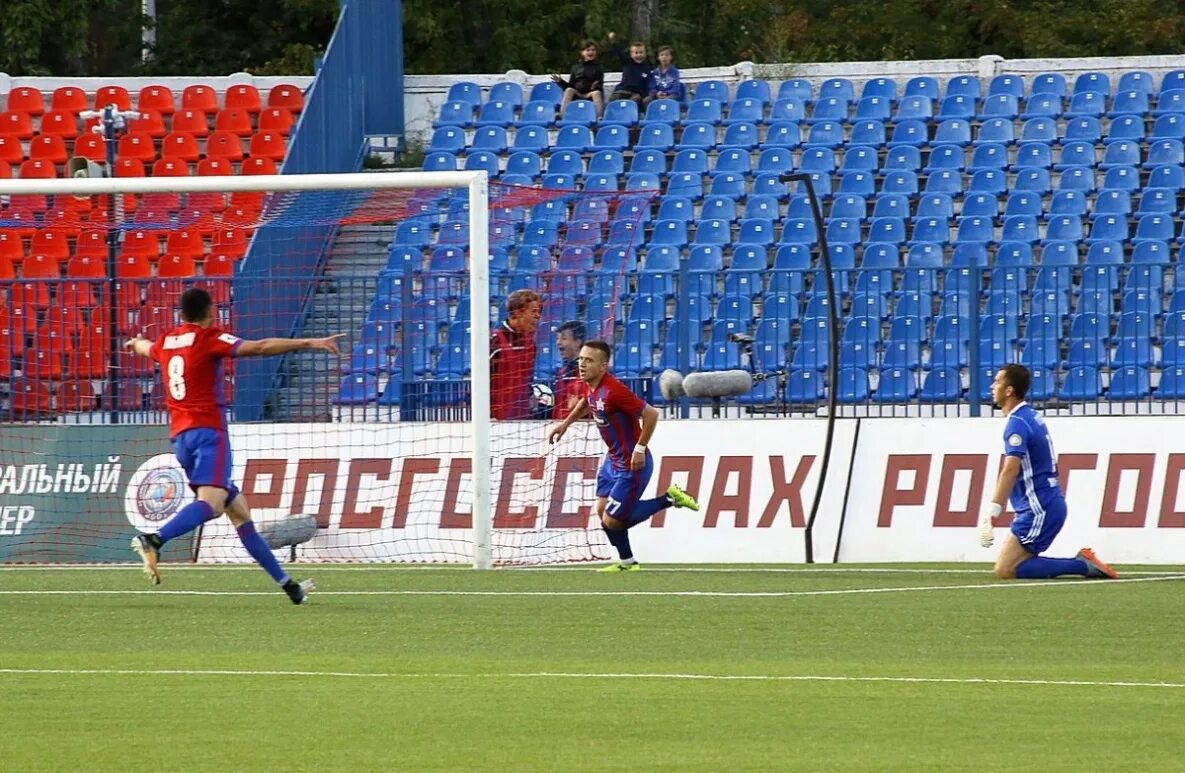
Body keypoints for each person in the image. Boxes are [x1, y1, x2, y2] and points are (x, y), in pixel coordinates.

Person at [125, 287, 343, 603]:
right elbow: (260, 347)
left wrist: (135, 344)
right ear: (209, 311)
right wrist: (309, 342)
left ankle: (289, 587)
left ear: (182, 314)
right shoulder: (209, 338)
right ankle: (154, 540)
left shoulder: (168, 341)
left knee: (239, 514)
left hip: (181, 439)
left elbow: (148, 348)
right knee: (212, 505)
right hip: (209, 435)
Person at [548, 340, 699, 571]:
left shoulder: (614, 391)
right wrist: (565, 424)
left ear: (603, 366)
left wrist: (640, 448)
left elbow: (651, 414)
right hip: (613, 460)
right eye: (581, 359)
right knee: (602, 510)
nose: (582, 364)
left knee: (612, 519)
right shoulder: (593, 388)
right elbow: (585, 403)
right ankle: (627, 562)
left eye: (589, 360)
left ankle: (668, 498)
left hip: (632, 463)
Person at [978, 364, 1117, 581]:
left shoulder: (1017, 423)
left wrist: (992, 512)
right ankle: (1081, 564)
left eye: (997, 381)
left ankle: (1081, 565)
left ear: (1009, 390)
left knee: (1006, 569)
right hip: (1044, 502)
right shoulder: (1030, 416)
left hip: (1039, 507)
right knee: (1009, 566)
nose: (991, 386)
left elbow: (1010, 469)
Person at [490, 288, 542, 420]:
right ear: (518, 313)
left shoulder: (530, 343)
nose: (538, 316)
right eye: (534, 311)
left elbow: (527, 379)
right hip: (495, 419)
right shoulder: (495, 342)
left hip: (523, 417)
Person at [552, 40, 606, 118]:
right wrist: (561, 82)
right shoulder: (576, 67)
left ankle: (599, 117)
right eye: (588, 50)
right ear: (582, 52)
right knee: (569, 90)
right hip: (578, 93)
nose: (591, 52)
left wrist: (595, 86)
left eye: (593, 50)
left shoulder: (598, 67)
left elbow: (599, 84)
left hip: (590, 93)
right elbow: (570, 85)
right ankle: (562, 115)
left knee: (596, 92)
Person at [551, 319, 585, 420]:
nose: (558, 342)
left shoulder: (590, 371)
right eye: (557, 338)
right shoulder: (562, 372)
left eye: (563, 338)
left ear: (578, 342)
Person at [606, 32, 652, 107]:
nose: (639, 55)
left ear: (645, 53)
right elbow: (618, 52)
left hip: (636, 94)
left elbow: (646, 85)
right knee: (614, 98)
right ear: (631, 54)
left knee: (634, 101)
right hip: (623, 90)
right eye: (636, 53)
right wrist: (613, 41)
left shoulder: (646, 68)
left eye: (641, 52)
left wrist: (643, 95)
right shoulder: (627, 63)